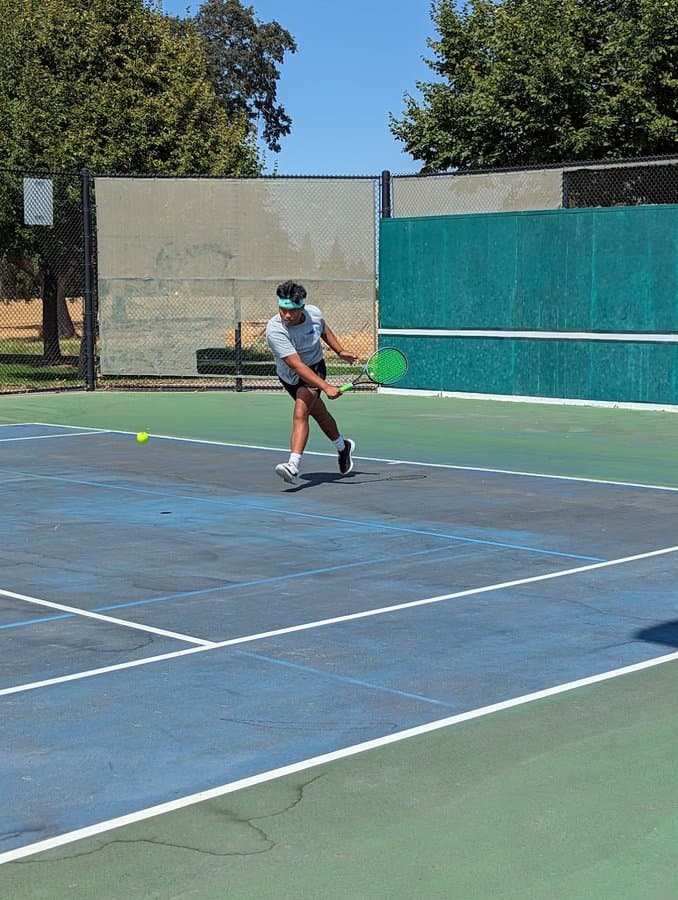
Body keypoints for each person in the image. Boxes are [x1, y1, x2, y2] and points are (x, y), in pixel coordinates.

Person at [265, 280, 359, 485]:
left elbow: (323, 330)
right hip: (290, 375)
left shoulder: (314, 314)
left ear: (302, 307)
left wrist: (340, 351)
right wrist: (327, 387)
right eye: (282, 310)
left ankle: (292, 466)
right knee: (319, 413)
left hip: (315, 368)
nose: (286, 315)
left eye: (292, 311)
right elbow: (296, 365)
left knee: (301, 413)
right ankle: (343, 447)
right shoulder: (275, 330)